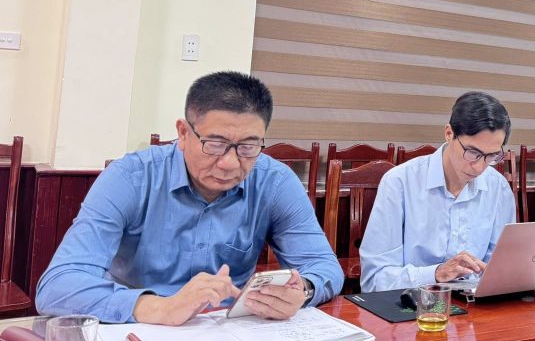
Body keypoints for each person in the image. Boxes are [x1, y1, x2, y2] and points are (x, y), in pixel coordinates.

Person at [35, 72, 343, 325]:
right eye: (215, 143)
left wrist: (302, 290)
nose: (230, 163)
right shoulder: (130, 178)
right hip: (138, 329)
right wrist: (159, 307)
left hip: (231, 333)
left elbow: (323, 266)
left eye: (248, 147)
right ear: (183, 133)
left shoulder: (275, 182)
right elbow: (58, 286)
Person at [359, 92, 516, 292]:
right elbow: (374, 279)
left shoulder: (498, 187)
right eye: (472, 153)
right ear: (449, 133)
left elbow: (500, 269)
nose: (479, 167)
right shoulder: (399, 182)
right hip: (411, 302)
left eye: (491, 156)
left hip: (474, 305)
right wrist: (436, 274)